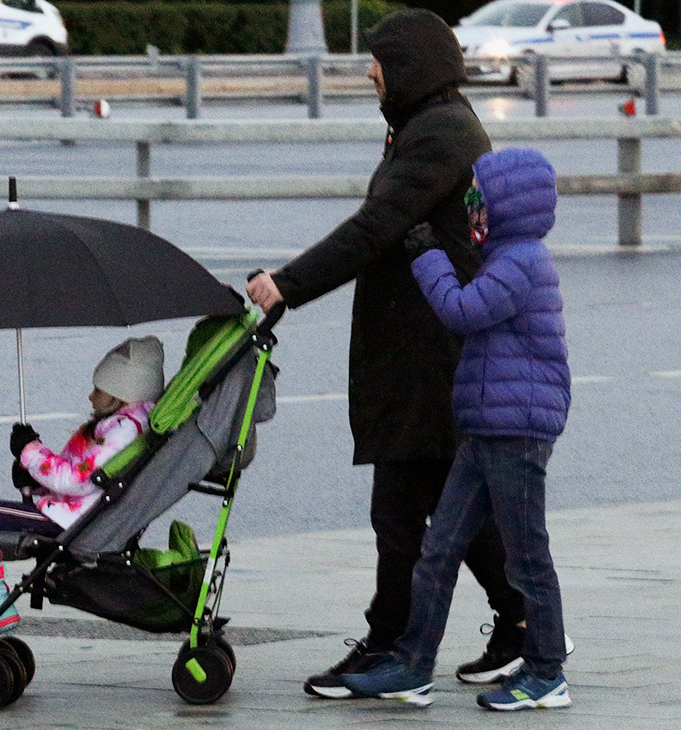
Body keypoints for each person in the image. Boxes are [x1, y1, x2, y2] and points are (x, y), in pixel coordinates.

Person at [245, 7, 528, 698]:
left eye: (380, 60)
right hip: (420, 349)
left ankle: (397, 646)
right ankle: (522, 623)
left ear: (412, 67)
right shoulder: (425, 126)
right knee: (444, 503)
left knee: (404, 509)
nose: (369, 71)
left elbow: (375, 228)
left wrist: (286, 285)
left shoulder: (441, 134)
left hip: (427, 354)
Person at [340, 147, 572, 710]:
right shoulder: (503, 256)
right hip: (484, 428)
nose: (471, 209)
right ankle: (412, 666)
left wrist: (427, 254)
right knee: (438, 550)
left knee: (526, 556)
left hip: (515, 430)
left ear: (508, 207)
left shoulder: (521, 263)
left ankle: (546, 673)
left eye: (478, 199)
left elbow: (461, 311)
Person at [0, 335, 165, 655]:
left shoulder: (125, 429)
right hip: (75, 514)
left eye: (98, 389)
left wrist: (29, 450)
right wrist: (32, 479)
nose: (91, 396)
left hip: (68, 521)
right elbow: (87, 481)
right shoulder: (129, 423)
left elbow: (76, 480)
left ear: (120, 393)